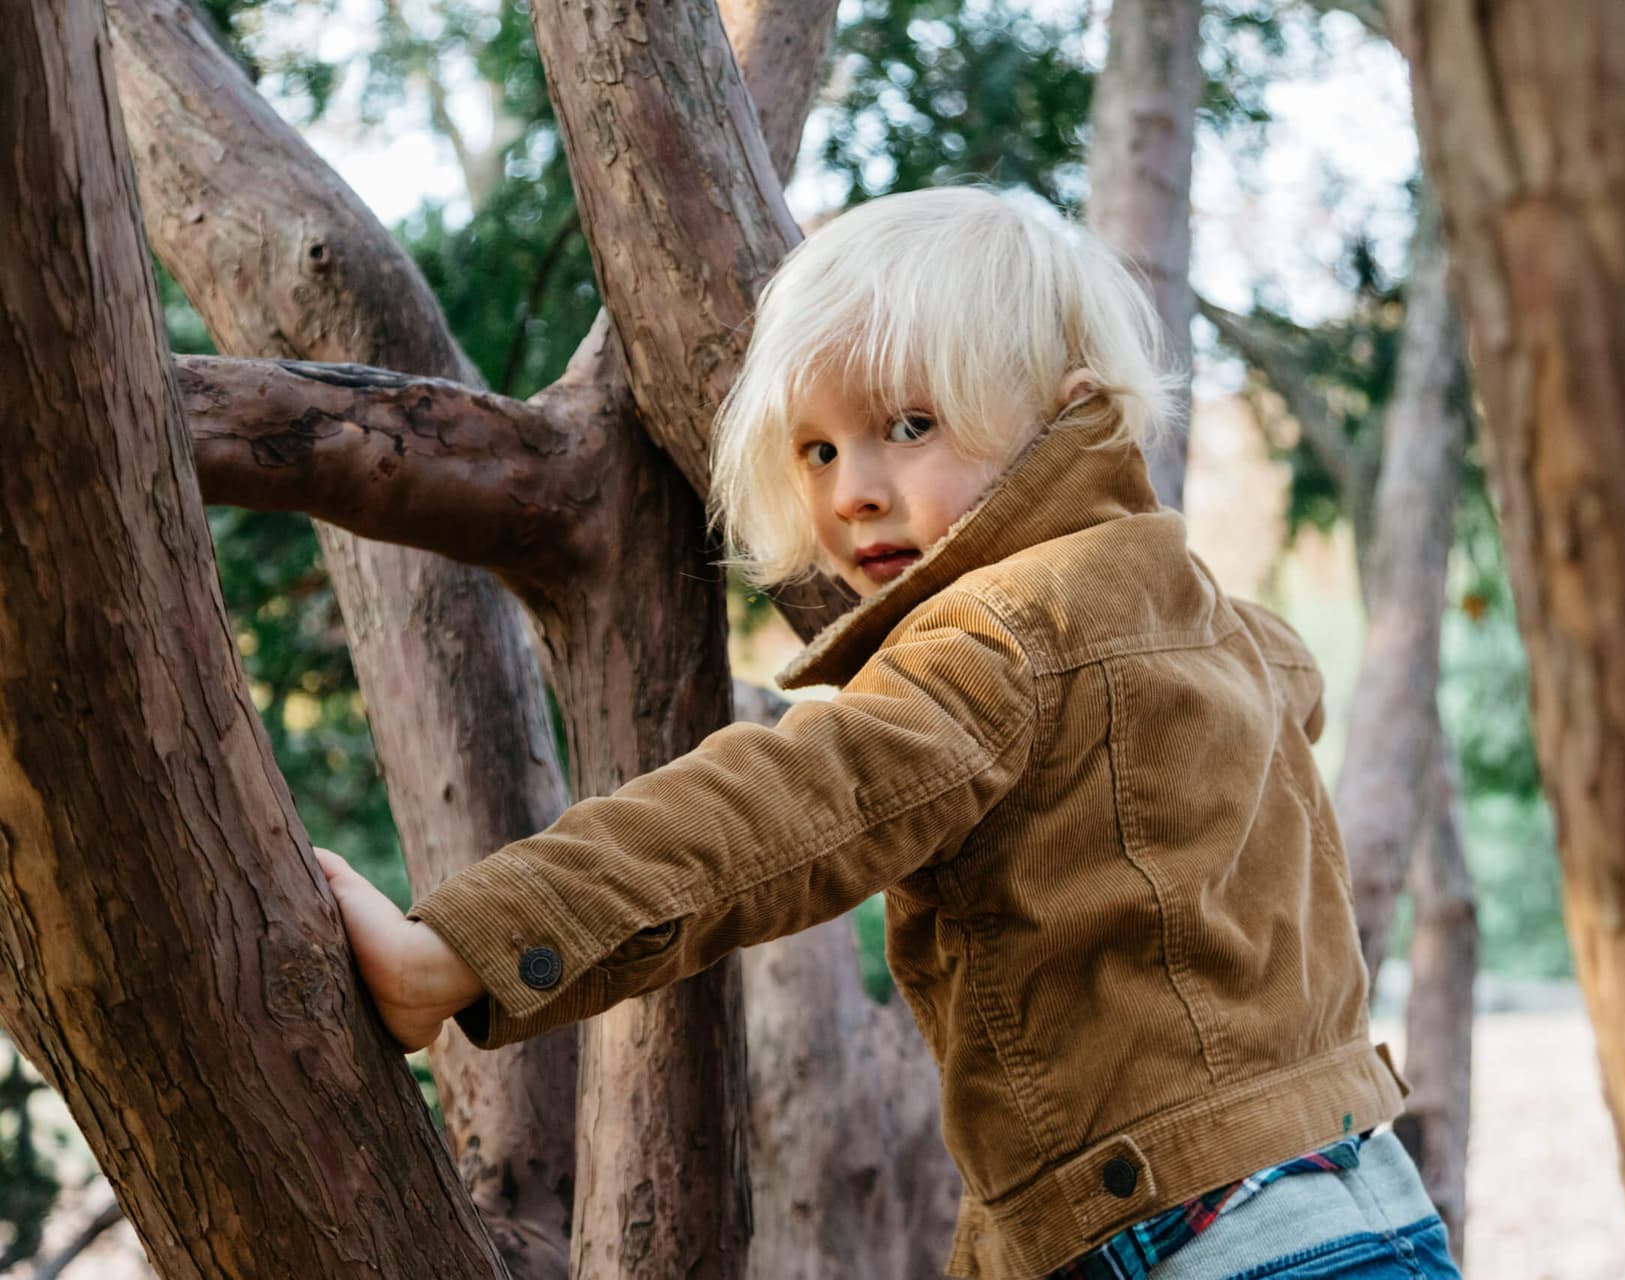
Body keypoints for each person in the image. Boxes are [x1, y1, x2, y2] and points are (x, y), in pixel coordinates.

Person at [315, 185, 1462, 1280]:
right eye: (816, 450)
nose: (853, 490)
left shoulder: (1003, 638)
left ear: (1068, 414)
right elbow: (1296, 687)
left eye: (908, 426)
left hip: (1199, 1230)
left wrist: (461, 946)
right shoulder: (1212, 617)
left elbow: (775, 810)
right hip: (1370, 1191)